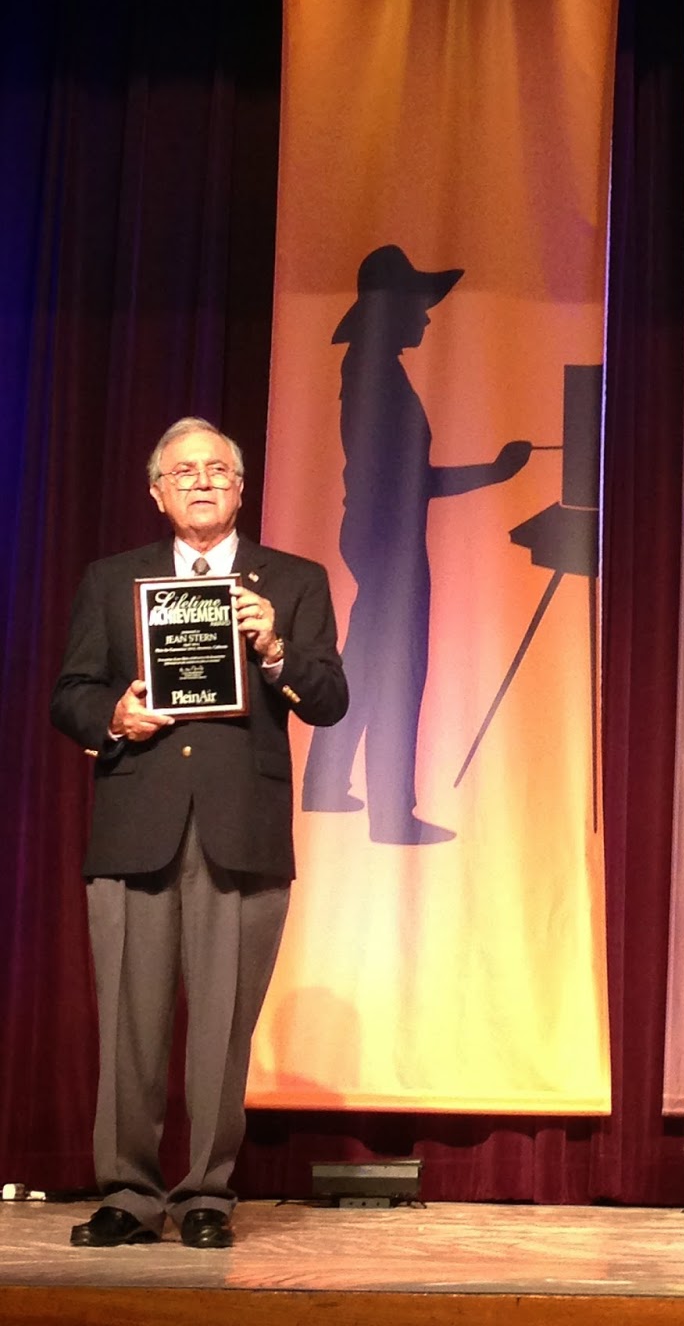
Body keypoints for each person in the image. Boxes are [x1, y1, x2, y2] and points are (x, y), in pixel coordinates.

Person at [50, 417, 348, 1249]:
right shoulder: (113, 579)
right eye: (183, 472)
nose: (202, 482)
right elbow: (70, 693)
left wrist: (276, 647)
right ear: (157, 493)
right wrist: (114, 715)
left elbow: (330, 699)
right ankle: (128, 1193)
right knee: (130, 1025)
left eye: (217, 469)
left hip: (240, 829)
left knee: (223, 1027)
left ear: (242, 488)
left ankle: (207, 1194)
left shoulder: (293, 581)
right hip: (136, 824)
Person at [301, 244, 529, 844]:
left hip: (375, 535)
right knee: (398, 669)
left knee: (366, 661)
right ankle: (391, 815)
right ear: (392, 309)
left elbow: (402, 477)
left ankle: (325, 783)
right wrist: (493, 472)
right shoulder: (376, 375)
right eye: (417, 305)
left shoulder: (371, 368)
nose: (426, 316)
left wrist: (493, 471)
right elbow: (406, 479)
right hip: (387, 542)